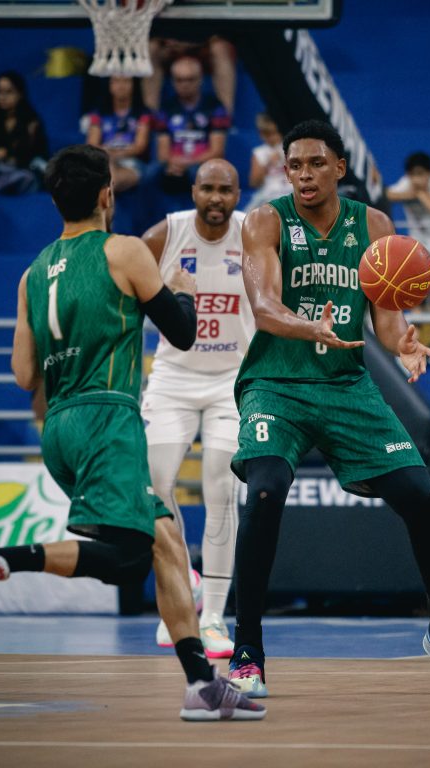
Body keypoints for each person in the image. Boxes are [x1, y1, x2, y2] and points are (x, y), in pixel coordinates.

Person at [0, 144, 264, 722]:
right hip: (107, 418)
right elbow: (184, 334)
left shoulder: (32, 272)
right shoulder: (125, 251)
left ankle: (202, 685)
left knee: (166, 540)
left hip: (59, 427)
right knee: (125, 557)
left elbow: (22, 376)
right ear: (105, 195)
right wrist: (186, 294)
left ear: (53, 199)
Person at [226, 119, 430, 698]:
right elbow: (265, 307)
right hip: (277, 380)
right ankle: (247, 650)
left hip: (346, 384)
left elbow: (386, 311)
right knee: (267, 488)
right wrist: (309, 326)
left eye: (315, 164)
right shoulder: (265, 221)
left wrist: (401, 341)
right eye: (294, 165)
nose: (303, 174)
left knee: (421, 495)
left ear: (339, 168)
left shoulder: (373, 225)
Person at [142, 158, 253, 658]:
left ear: (238, 193)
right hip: (173, 379)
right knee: (153, 489)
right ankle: (181, 596)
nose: (215, 198)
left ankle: (212, 618)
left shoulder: (255, 233)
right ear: (192, 191)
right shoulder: (166, 235)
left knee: (220, 488)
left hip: (232, 379)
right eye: (206, 189)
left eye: (225, 190)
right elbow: (122, 292)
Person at [386, 152, 430, 363]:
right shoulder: (406, 183)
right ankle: (414, 346)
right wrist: (412, 192)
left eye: (421, 174)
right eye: (413, 175)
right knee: (415, 298)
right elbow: (387, 195)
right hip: (418, 252)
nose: (417, 179)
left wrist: (419, 194)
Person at [153, 56, 231, 200]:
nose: (185, 85)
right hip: (172, 164)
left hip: (201, 164)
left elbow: (217, 150)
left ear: (200, 79)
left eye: (190, 79)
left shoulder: (215, 107)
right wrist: (173, 162)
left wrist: (186, 163)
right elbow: (162, 152)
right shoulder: (165, 108)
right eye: (180, 80)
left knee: (200, 173)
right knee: (150, 174)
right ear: (172, 81)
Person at [85, 76, 151, 194]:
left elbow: (140, 146)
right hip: (105, 161)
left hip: (132, 163)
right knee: (107, 169)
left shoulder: (143, 114)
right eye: (116, 81)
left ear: (134, 85)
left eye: (126, 81)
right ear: (109, 85)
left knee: (110, 180)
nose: (121, 85)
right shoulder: (98, 114)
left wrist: (116, 155)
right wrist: (109, 156)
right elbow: (92, 144)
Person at [142, 35, 236, 115]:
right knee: (152, 48)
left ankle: (224, 116)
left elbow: (219, 32)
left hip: (202, 44)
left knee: (220, 47)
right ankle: (151, 116)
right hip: (169, 46)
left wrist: (190, 43)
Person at [245, 113, 291, 213]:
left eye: (276, 133)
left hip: (290, 191)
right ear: (262, 135)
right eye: (269, 134)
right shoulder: (260, 153)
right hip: (268, 194)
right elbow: (254, 183)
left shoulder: (291, 149)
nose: (274, 137)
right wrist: (268, 164)